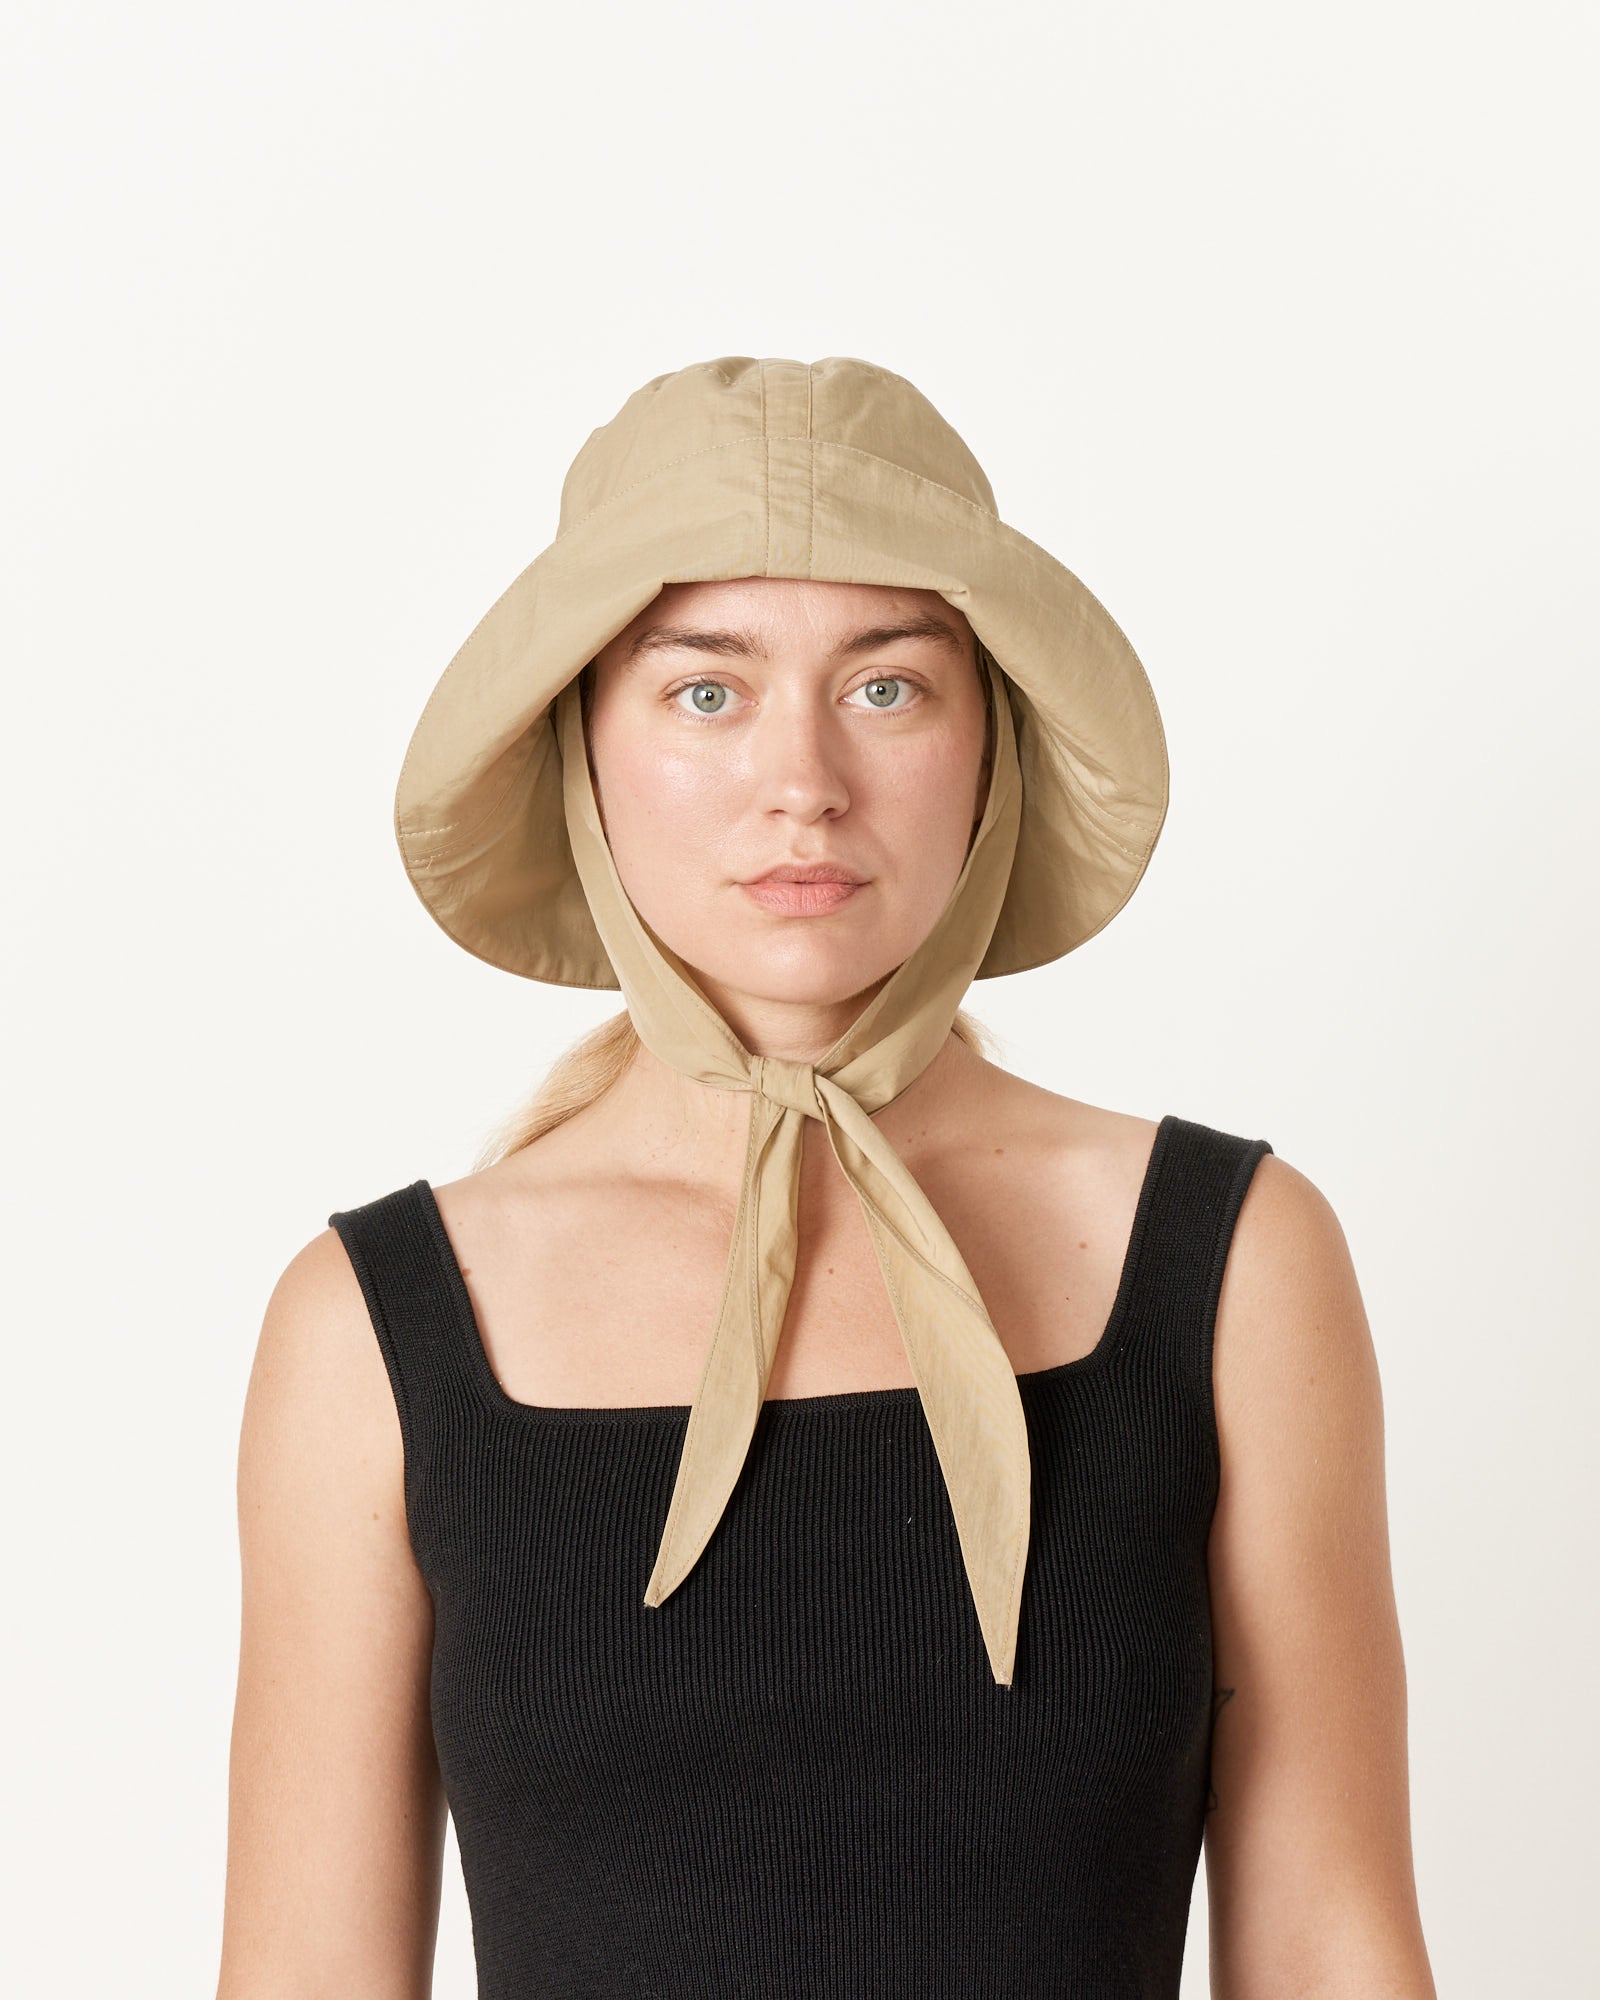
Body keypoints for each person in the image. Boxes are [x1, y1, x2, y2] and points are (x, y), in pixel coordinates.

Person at [215, 357, 1437, 1997]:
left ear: (992, 743)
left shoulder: (1229, 1262)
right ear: (581, 744)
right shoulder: (375, 1328)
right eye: (704, 692)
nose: (803, 781)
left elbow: (1334, 1948)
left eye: (887, 686)